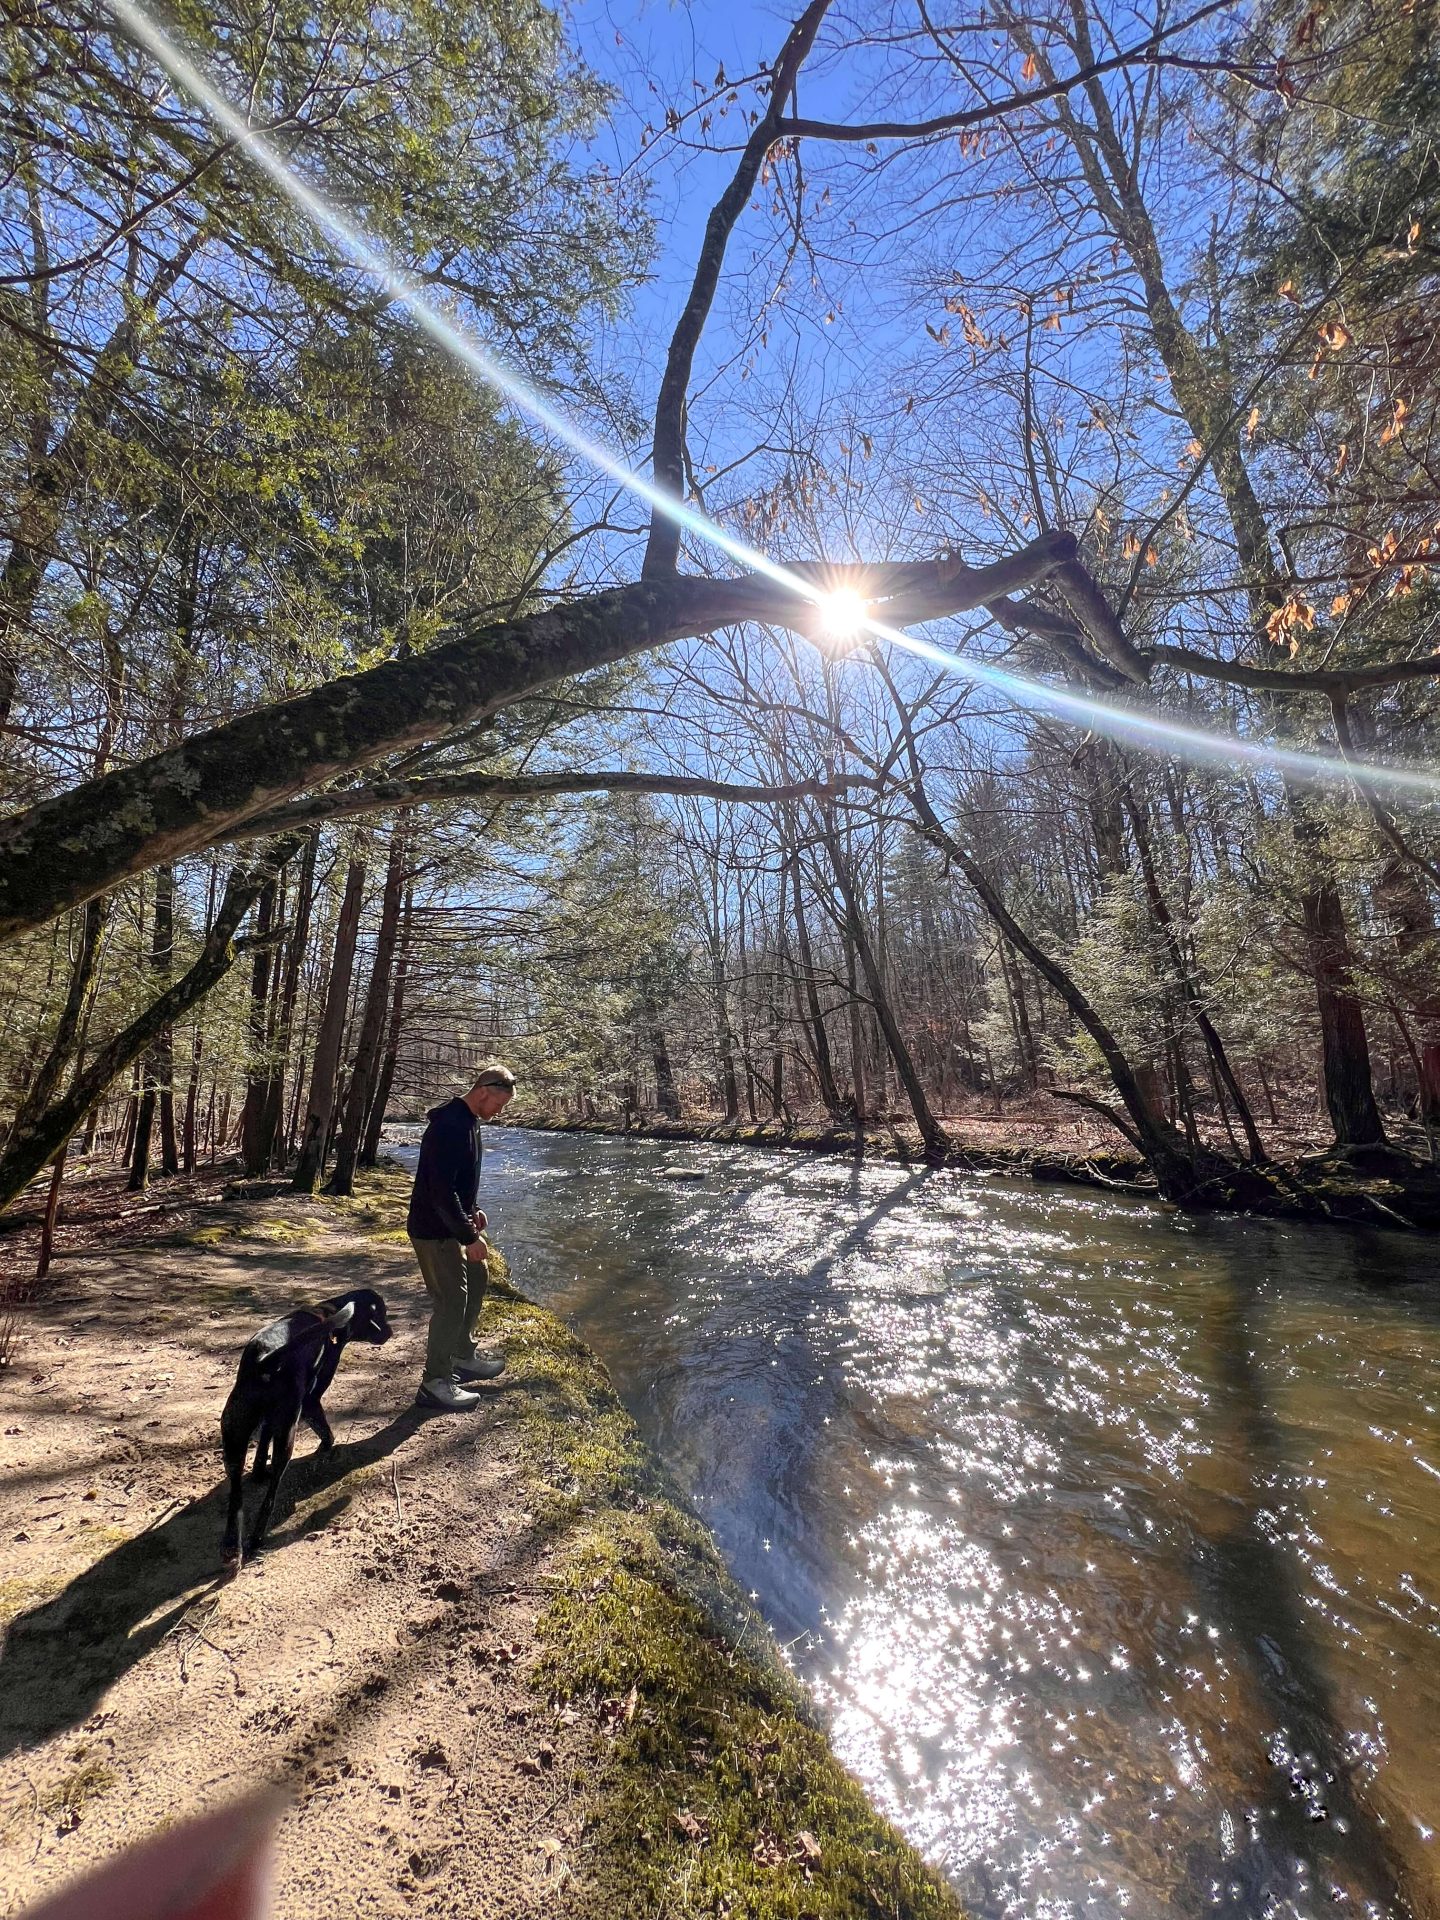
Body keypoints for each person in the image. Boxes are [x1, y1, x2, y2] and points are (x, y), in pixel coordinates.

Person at [406, 1063, 516, 1412]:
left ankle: (461, 1356)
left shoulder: (469, 1122)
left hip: (451, 1222)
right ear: (484, 1091)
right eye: (499, 1105)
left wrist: (474, 1208)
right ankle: (435, 1382)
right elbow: (440, 1191)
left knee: (478, 1277)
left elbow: (459, 1180)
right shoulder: (449, 1126)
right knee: (451, 1300)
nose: (499, 1113)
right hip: (433, 1229)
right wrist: (469, 1236)